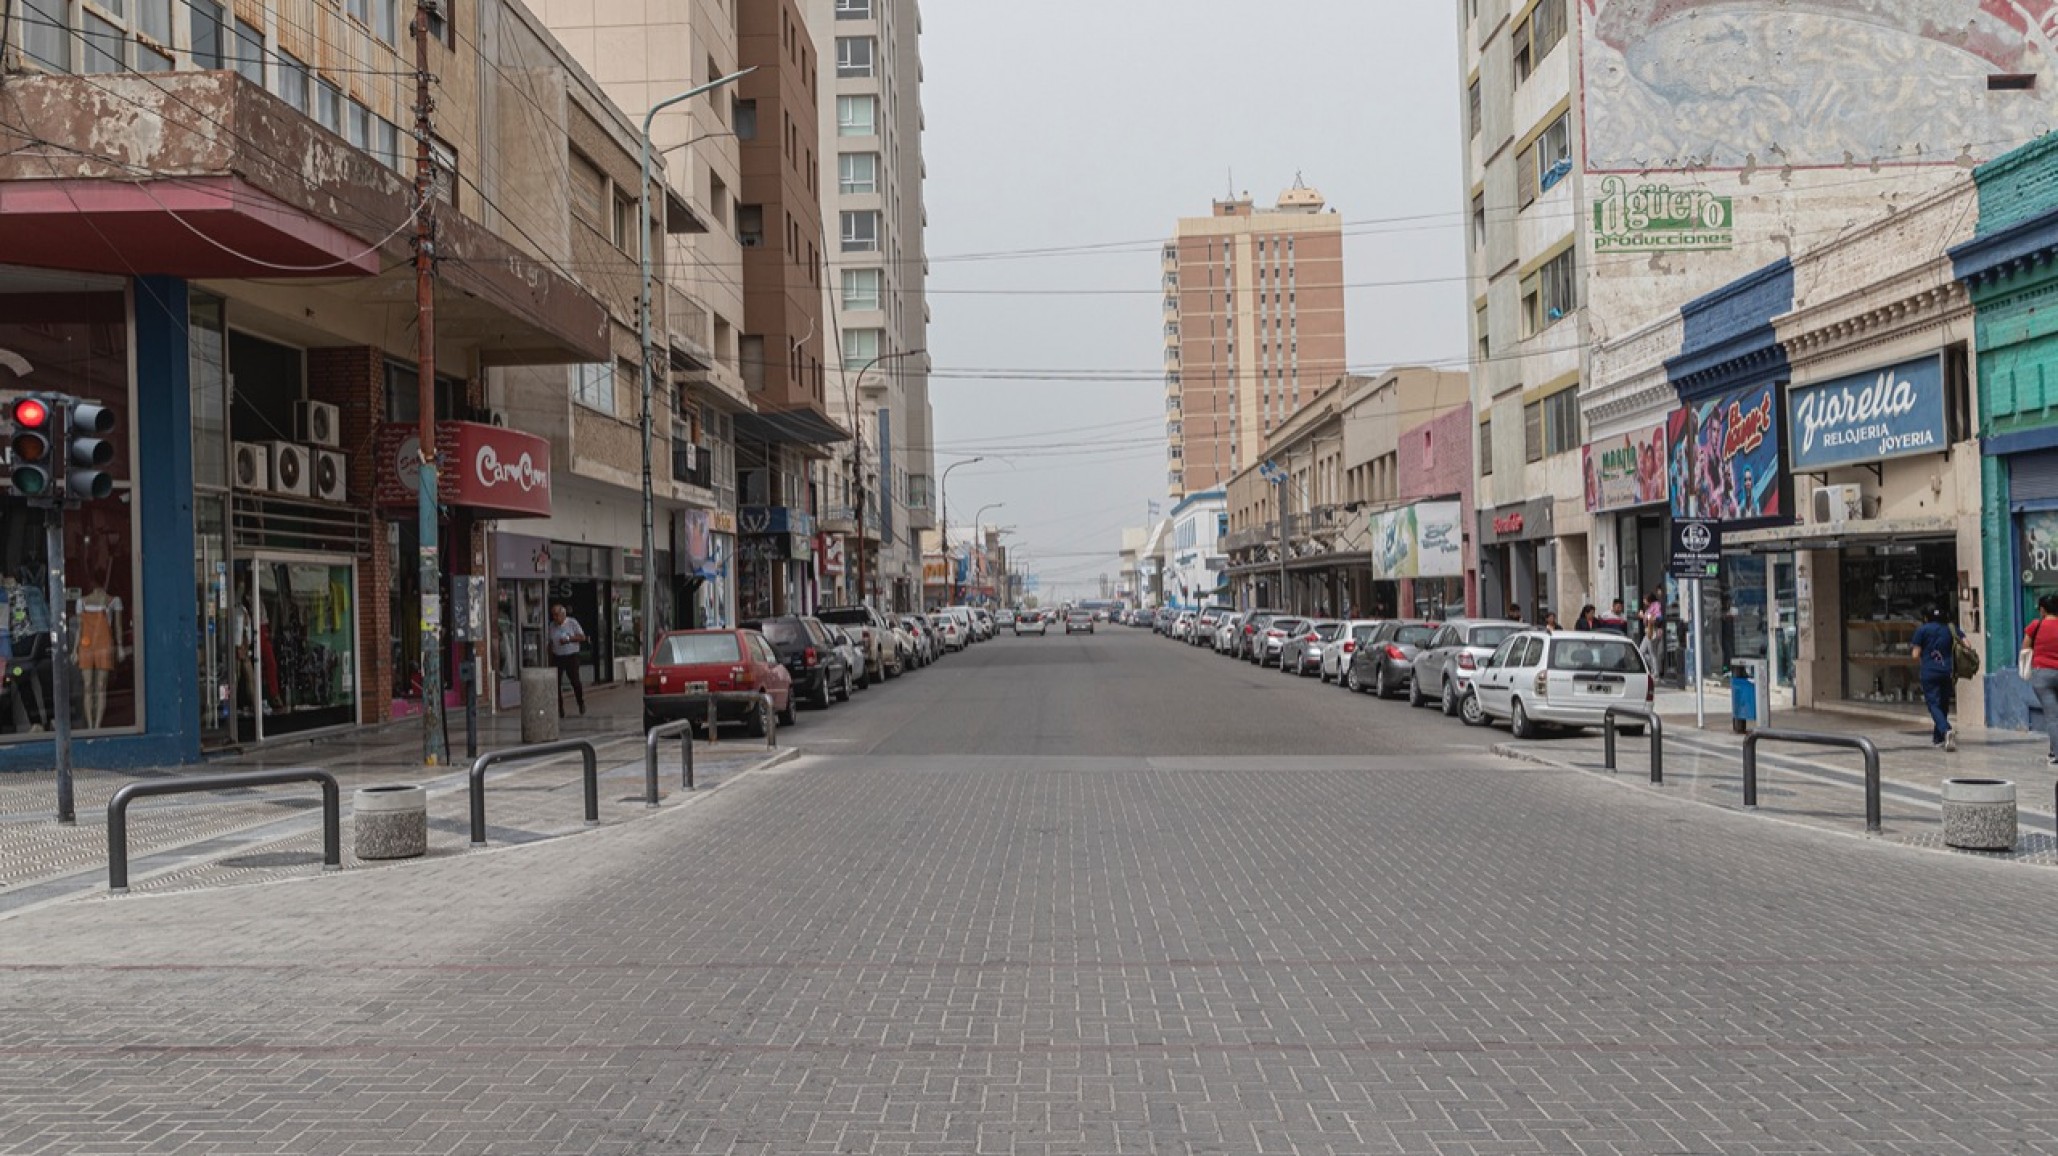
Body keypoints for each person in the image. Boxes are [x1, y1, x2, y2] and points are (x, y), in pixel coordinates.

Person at [1910, 606, 1960, 751]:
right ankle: (1938, 738)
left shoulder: (1922, 630)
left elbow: (1915, 654)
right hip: (1947, 672)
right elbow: (1966, 644)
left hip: (1929, 672)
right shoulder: (1951, 629)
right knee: (1943, 704)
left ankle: (1946, 730)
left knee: (1933, 704)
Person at [2025, 594, 2058, 766]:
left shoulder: (2036, 625)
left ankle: (2056, 753)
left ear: (2043, 610)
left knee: (2053, 717)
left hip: (2042, 674)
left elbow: (2025, 646)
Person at [548, 603, 588, 717]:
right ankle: (560, 709)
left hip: (571, 655)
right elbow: (550, 643)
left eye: (557, 615)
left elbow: (582, 637)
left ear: (563, 614)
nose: (555, 618)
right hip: (557, 656)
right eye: (553, 615)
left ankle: (580, 702)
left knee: (575, 681)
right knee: (556, 684)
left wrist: (569, 639)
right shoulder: (551, 626)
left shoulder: (572, 623)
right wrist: (549, 659)